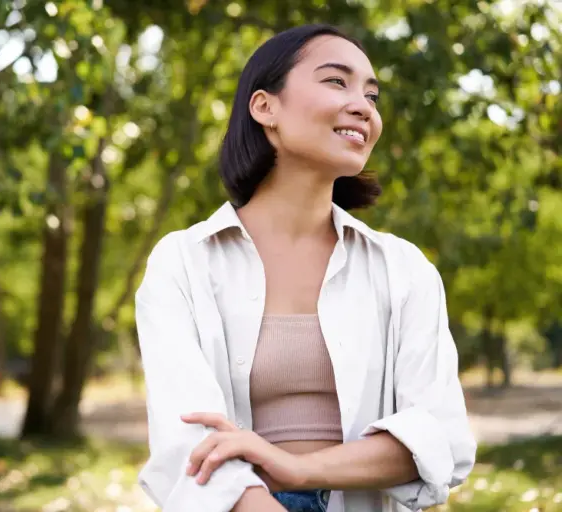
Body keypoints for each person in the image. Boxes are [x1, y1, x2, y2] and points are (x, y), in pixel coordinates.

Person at [134, 23, 476, 512]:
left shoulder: (404, 270)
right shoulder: (184, 262)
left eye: (371, 95)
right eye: (336, 81)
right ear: (264, 107)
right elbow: (187, 446)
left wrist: (298, 469)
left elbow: (441, 437)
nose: (363, 106)